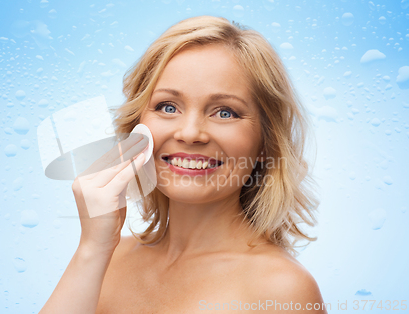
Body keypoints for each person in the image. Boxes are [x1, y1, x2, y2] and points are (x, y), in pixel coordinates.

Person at [39, 15, 327, 313]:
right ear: (137, 127)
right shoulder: (106, 259)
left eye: (225, 112)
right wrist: (92, 248)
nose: (190, 133)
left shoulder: (281, 289)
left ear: (266, 142)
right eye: (168, 107)